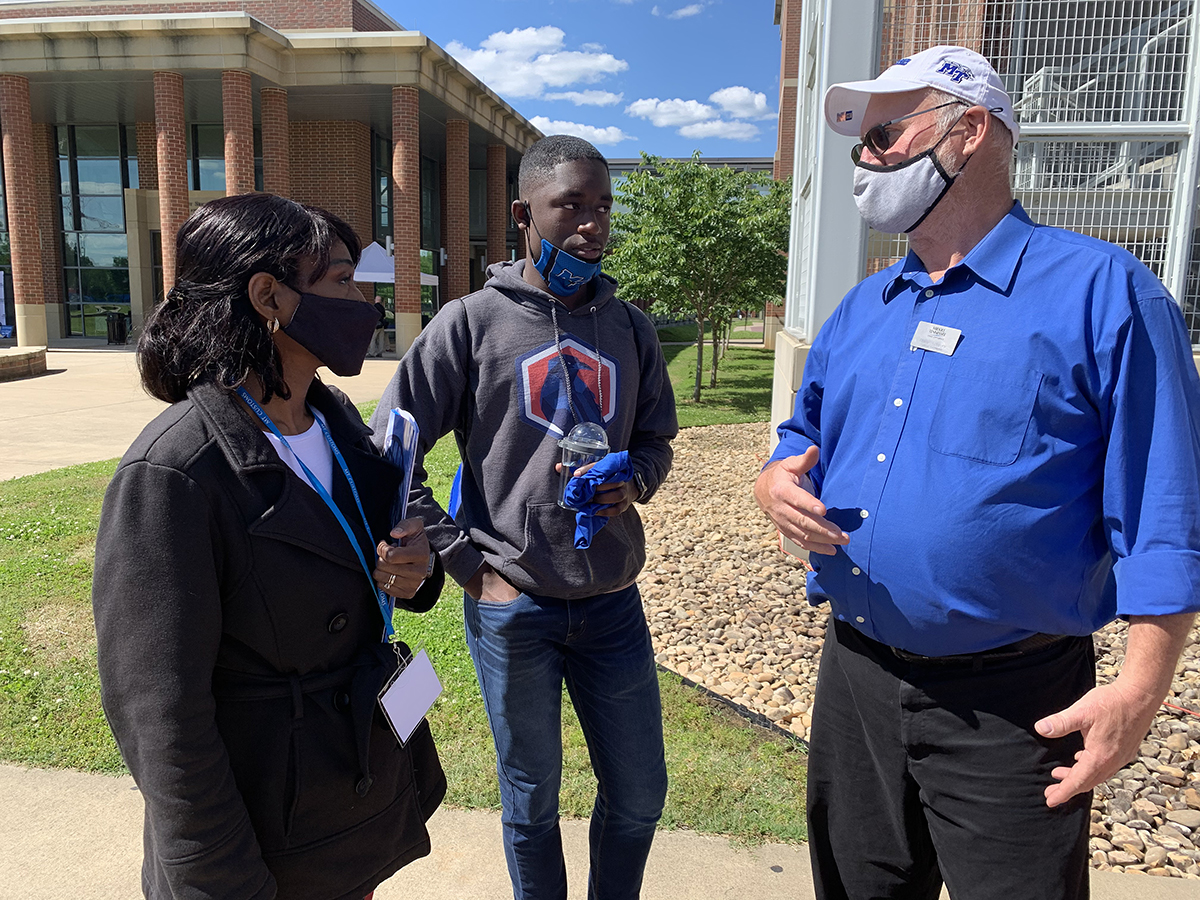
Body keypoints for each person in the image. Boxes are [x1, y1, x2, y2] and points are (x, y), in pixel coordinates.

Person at [754, 45, 1200, 899]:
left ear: (969, 131)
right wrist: (775, 476)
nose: (866, 159)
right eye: (861, 142)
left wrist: (1141, 691)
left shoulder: (1108, 295)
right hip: (853, 676)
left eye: (885, 134)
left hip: (1013, 704)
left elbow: (1164, 511)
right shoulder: (864, 305)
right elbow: (801, 427)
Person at [92, 193, 446, 900]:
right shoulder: (175, 474)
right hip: (265, 848)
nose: (363, 302)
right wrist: (225, 884)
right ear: (268, 296)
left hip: (349, 802)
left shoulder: (334, 419)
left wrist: (418, 567)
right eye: (342, 281)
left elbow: (367, 555)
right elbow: (163, 720)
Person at [370, 134, 677, 900]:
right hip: (515, 610)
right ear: (523, 214)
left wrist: (634, 480)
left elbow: (656, 440)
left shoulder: (631, 327)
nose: (591, 224)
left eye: (602, 206)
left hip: (611, 605)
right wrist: (469, 567)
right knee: (532, 804)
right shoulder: (471, 323)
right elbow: (389, 452)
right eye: (569, 204)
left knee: (640, 795)